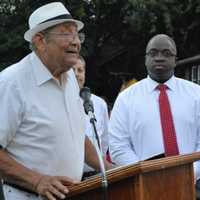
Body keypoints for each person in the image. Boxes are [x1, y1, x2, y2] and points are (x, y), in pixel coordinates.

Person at [0, 2, 111, 200]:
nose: (76, 42)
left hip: (75, 194)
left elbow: (76, 135)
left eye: (77, 35)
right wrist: (37, 181)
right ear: (40, 40)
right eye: (67, 34)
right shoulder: (11, 83)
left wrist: (108, 168)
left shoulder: (69, 80)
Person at [109, 34, 200, 183]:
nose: (159, 57)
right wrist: (145, 173)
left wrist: (191, 173)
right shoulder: (126, 99)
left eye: (166, 53)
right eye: (153, 53)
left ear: (175, 60)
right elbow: (118, 146)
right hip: (144, 185)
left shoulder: (196, 94)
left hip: (191, 184)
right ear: (145, 59)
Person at [73, 56, 110, 176]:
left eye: (80, 70)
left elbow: (104, 140)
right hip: (70, 176)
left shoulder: (99, 103)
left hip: (96, 175)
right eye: (72, 70)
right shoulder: (57, 102)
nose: (76, 74)